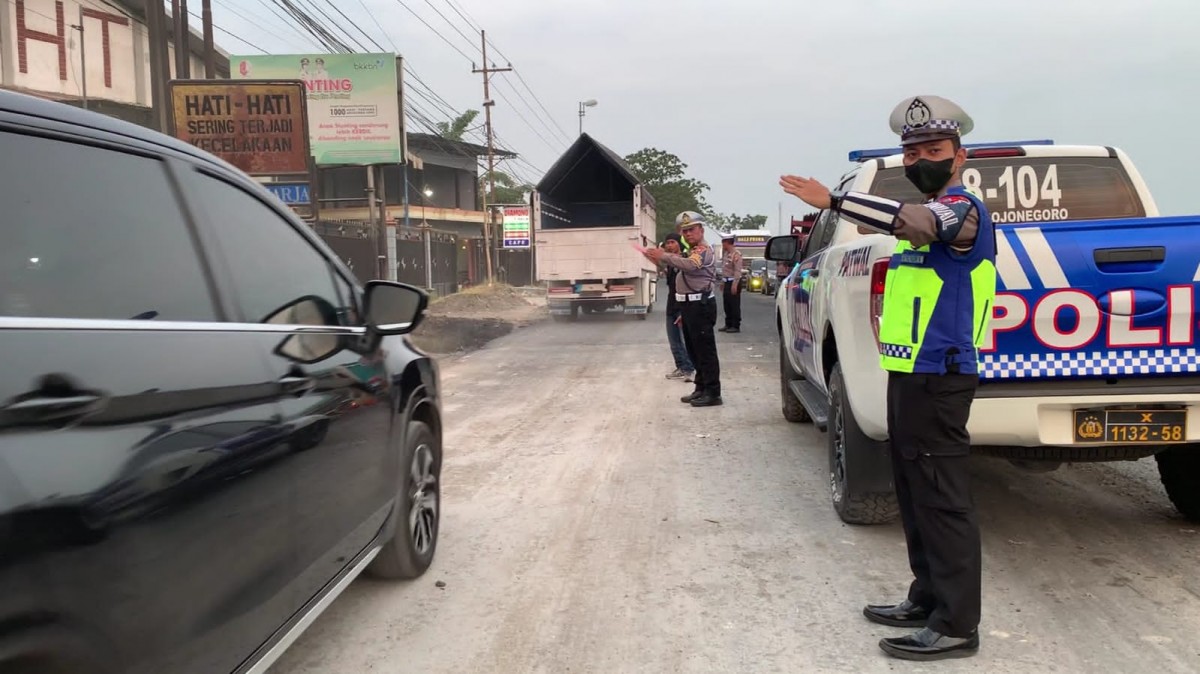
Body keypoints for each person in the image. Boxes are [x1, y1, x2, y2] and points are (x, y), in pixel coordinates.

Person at [779, 95, 996, 662]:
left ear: (958, 155)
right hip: (911, 373)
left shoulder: (960, 209)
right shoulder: (926, 210)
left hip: (942, 375)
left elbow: (920, 224)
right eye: (914, 151)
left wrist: (834, 201)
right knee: (914, 489)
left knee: (943, 499)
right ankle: (926, 598)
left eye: (934, 149)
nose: (923, 157)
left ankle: (955, 623)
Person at [642, 212, 722, 407]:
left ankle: (712, 392)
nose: (688, 234)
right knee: (694, 350)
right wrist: (659, 258)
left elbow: (690, 266)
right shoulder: (693, 250)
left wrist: (664, 255)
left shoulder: (703, 251)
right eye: (684, 231)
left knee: (705, 351)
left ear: (701, 230)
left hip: (699, 305)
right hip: (688, 305)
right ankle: (701, 387)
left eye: (691, 229)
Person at [659, 233, 695, 382]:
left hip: (682, 305)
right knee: (674, 340)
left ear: (679, 244)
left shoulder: (685, 260)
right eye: (667, 243)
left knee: (684, 339)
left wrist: (684, 310)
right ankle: (681, 366)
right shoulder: (671, 263)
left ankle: (689, 369)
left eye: (672, 242)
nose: (669, 245)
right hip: (671, 305)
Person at [718, 234, 744, 333]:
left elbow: (737, 271)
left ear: (727, 243)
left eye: (723, 242)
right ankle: (728, 323)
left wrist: (735, 284)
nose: (722, 245)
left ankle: (735, 325)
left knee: (734, 304)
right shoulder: (725, 254)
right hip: (726, 281)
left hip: (734, 282)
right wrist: (722, 282)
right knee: (727, 304)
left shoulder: (736, 254)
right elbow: (724, 270)